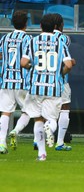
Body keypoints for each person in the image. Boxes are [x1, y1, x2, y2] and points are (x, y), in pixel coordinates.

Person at [21, 14, 73, 161]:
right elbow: (68, 65)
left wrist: (33, 68)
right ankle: (50, 129)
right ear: (56, 27)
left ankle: (41, 154)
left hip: (36, 86)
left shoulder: (32, 41)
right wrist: (61, 74)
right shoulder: (60, 42)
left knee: (38, 119)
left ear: (41, 27)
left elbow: (24, 62)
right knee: (52, 119)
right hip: (54, 86)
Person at [0, 11, 32, 154]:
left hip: (7, 80)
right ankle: (15, 130)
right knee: (28, 112)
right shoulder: (29, 39)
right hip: (22, 82)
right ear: (26, 23)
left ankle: (1, 143)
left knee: (5, 112)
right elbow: (27, 60)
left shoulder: (5, 38)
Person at [52, 13, 75, 151]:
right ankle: (60, 141)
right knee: (64, 108)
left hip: (44, 80)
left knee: (45, 109)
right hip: (61, 79)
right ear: (59, 26)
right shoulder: (64, 38)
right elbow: (63, 58)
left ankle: (39, 139)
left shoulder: (38, 39)